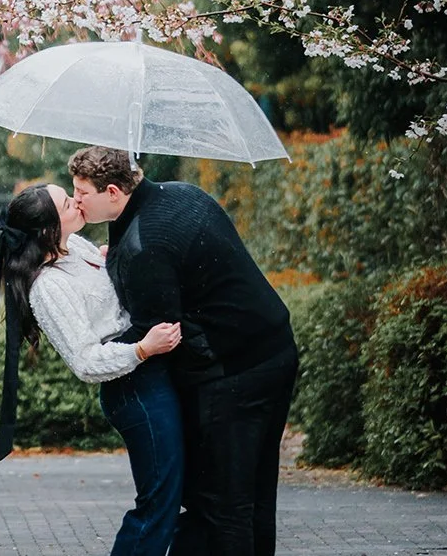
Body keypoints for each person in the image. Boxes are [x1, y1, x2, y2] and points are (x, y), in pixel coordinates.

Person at [70, 147, 298, 556]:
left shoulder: (145, 242)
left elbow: (156, 331)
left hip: (233, 373)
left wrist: (99, 354)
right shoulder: (180, 194)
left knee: (222, 504)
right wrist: (120, 261)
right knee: (258, 492)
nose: (77, 200)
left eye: (82, 191)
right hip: (274, 348)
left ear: (112, 192)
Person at [0, 181, 184, 556]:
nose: (78, 201)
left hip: (153, 374)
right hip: (132, 388)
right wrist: (142, 350)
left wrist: (112, 260)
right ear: (48, 228)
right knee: (158, 502)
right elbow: (85, 362)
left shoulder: (75, 248)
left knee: (175, 496)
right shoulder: (48, 287)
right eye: (68, 202)